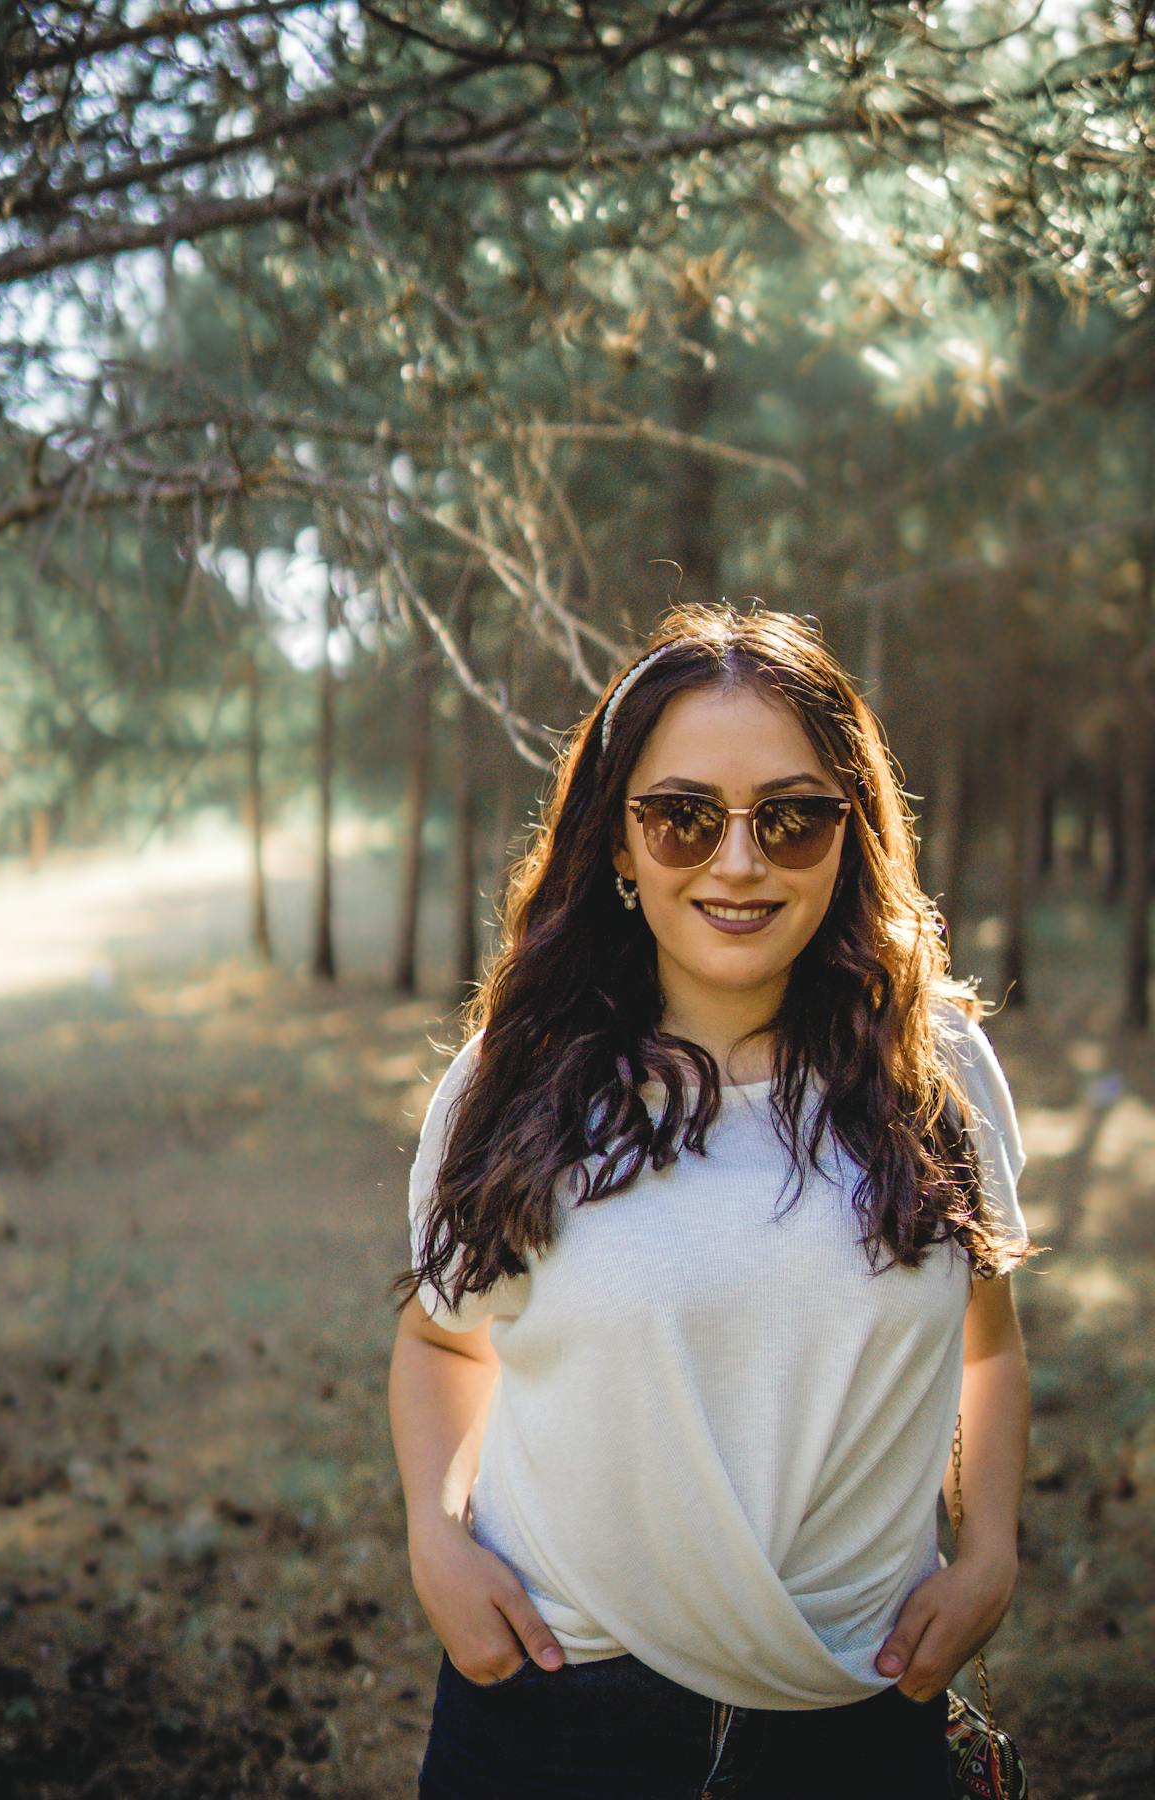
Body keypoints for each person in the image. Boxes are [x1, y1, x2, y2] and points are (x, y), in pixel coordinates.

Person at [387, 602, 1037, 1800]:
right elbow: (439, 1338)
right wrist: (435, 1535)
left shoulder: (934, 1069)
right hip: (558, 1709)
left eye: (791, 819)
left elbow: (986, 1349)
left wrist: (989, 1552)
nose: (739, 862)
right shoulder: (512, 1080)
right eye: (684, 817)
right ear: (619, 843)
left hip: (858, 1714)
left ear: (851, 834)